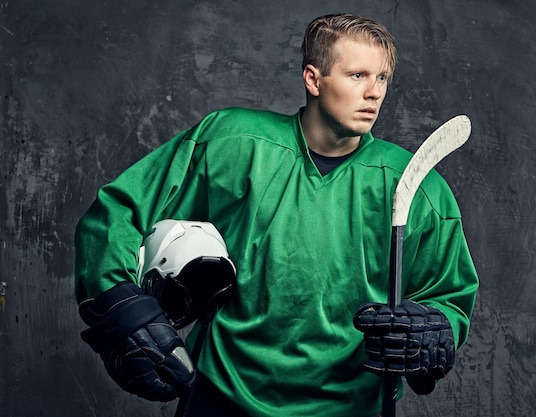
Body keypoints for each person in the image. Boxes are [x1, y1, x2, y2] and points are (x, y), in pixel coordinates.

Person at [74, 13, 479, 417]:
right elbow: (119, 211)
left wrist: (435, 328)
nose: (374, 93)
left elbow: (448, 294)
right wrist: (119, 301)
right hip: (222, 396)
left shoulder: (416, 185)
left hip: (352, 407)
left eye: (382, 78)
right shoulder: (232, 144)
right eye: (357, 75)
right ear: (313, 79)